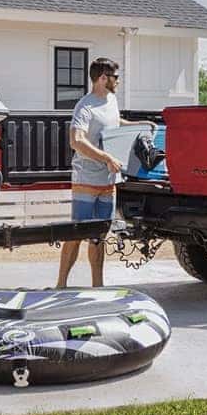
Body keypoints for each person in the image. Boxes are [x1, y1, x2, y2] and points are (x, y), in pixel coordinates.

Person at [56, 57, 143, 288]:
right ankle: (61, 285)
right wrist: (106, 157)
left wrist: (139, 125)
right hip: (86, 179)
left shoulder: (111, 100)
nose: (119, 81)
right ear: (103, 78)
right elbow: (76, 141)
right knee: (76, 233)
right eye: (116, 77)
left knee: (99, 236)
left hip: (108, 180)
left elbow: (113, 122)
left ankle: (98, 287)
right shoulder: (85, 106)